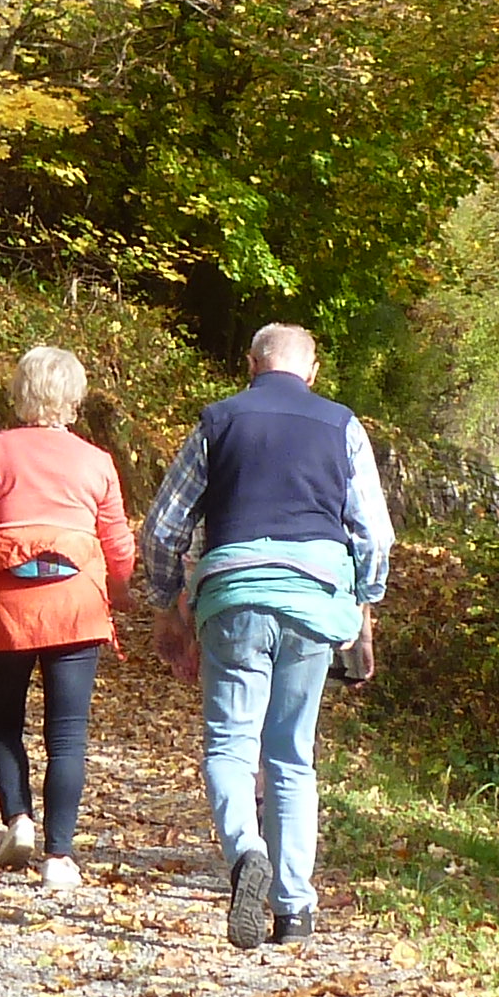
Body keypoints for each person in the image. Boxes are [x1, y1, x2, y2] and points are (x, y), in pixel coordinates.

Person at [140, 321, 393, 954]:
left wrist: (167, 602)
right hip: (313, 601)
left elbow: (162, 528)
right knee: (290, 752)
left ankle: (245, 851)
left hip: (232, 597)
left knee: (230, 744)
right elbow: (374, 535)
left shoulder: (218, 422)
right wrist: (365, 608)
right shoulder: (343, 426)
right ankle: (296, 906)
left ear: (251, 364)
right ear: (312, 373)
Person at [0, 345, 138, 896]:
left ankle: (17, 819)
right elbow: (118, 545)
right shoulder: (96, 461)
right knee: (67, 736)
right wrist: (125, 593)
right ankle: (59, 857)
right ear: (74, 398)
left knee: (3, 724)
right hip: (75, 604)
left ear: (20, 392)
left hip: (6, 605)